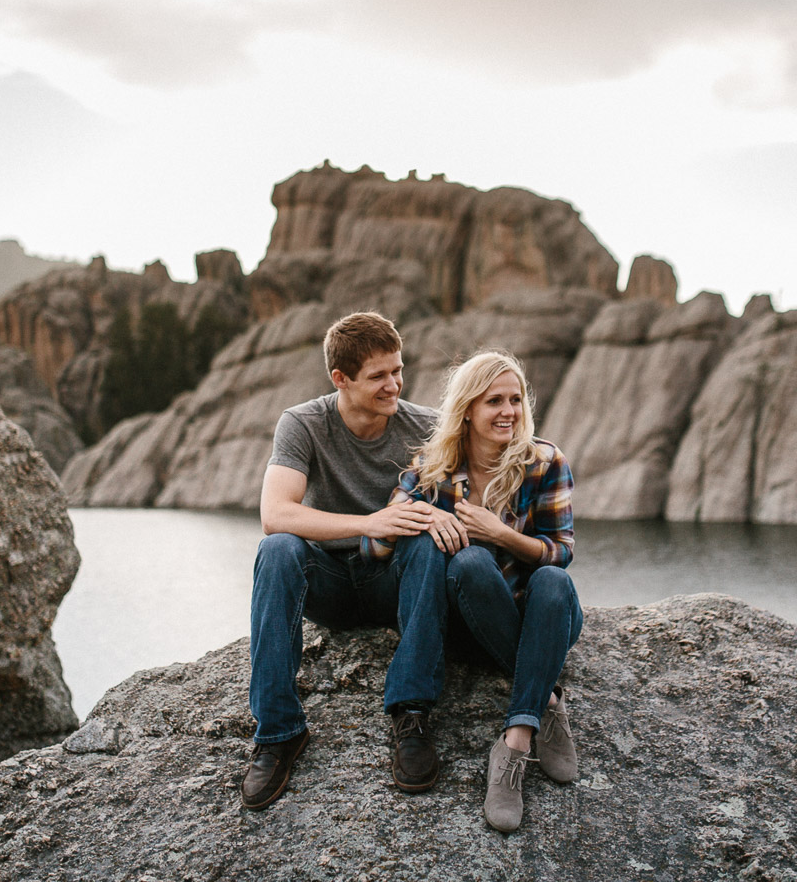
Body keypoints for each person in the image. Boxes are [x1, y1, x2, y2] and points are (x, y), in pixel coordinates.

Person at [242, 311, 469, 811]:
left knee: (429, 536)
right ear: (340, 379)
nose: (394, 385)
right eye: (379, 376)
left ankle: (411, 715)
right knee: (277, 549)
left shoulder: (426, 427)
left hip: (394, 582)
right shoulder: (302, 423)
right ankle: (279, 732)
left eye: (398, 370)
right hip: (332, 586)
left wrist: (433, 517)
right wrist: (370, 522)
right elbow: (275, 514)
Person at [364, 350, 581, 832]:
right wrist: (426, 515)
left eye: (516, 399)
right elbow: (373, 546)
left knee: (553, 580)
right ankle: (545, 698)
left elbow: (562, 551)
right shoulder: (431, 470)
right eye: (493, 401)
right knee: (468, 561)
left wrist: (502, 533)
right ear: (467, 409)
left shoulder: (545, 462)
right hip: (476, 627)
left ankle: (517, 740)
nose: (508, 411)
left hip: (540, 617)